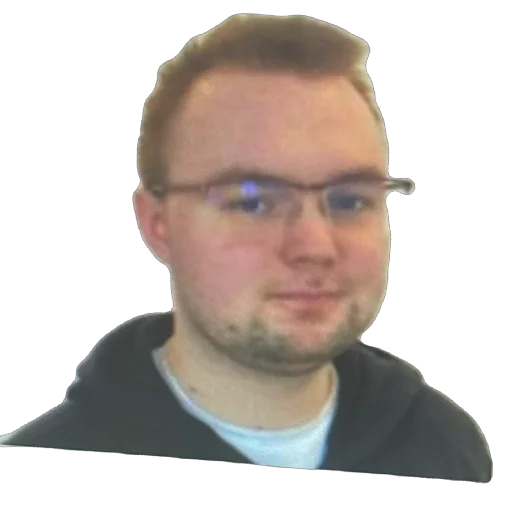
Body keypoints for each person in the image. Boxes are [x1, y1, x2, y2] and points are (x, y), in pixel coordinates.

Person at [0, 14, 492, 481]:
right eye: (252, 202)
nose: (315, 246)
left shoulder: (445, 444)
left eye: (350, 199)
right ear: (158, 224)